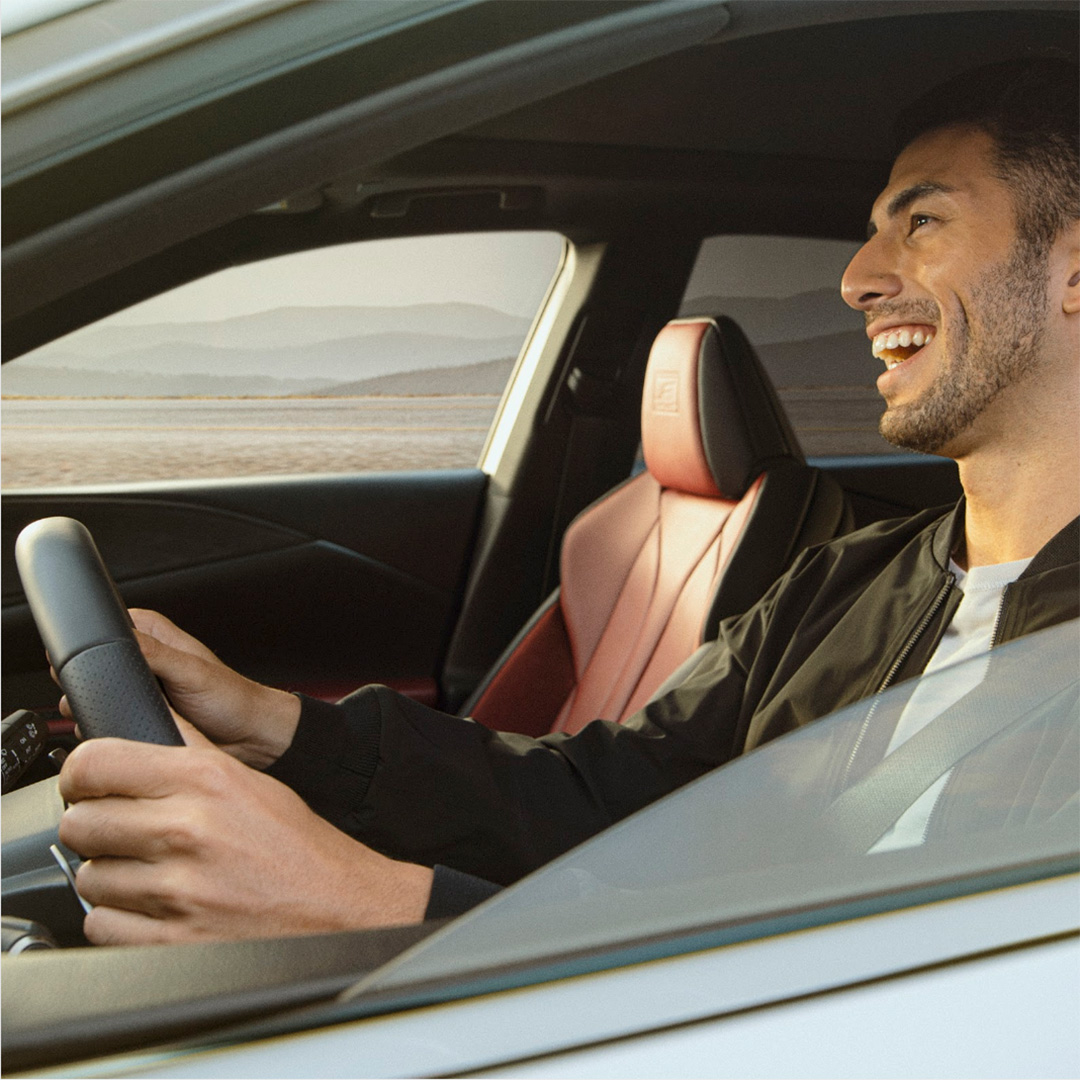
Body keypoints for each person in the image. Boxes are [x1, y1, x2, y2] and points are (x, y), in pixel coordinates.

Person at [56, 57, 1079, 945]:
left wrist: (373, 908)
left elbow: (938, 1007)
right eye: (871, 234)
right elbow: (615, 794)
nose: (858, 278)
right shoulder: (847, 584)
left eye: (924, 223)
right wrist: (283, 729)